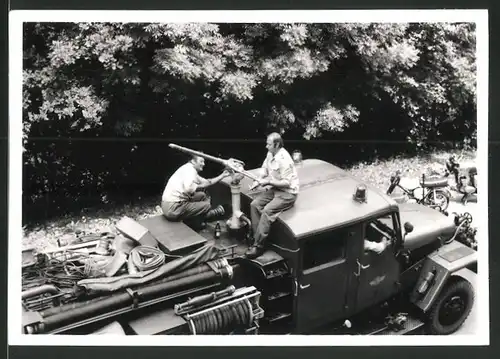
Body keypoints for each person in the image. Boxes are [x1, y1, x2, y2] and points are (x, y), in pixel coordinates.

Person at [245, 132, 299, 259]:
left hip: (288, 193)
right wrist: (258, 180)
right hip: (275, 189)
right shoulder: (270, 153)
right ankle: (256, 237)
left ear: (277, 144)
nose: (266, 146)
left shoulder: (284, 159)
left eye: (269, 144)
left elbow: (287, 183)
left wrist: (268, 181)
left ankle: (258, 246)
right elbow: (265, 169)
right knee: (254, 204)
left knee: (267, 211)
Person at [161, 155, 230, 226]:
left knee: (202, 195)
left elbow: (206, 182)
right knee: (207, 205)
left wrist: (222, 175)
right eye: (201, 161)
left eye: (204, 161)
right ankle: (200, 220)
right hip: (173, 208)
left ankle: (200, 218)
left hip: (166, 205)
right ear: (193, 161)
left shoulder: (188, 168)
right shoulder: (190, 171)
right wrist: (199, 186)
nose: (203, 164)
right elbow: (188, 189)